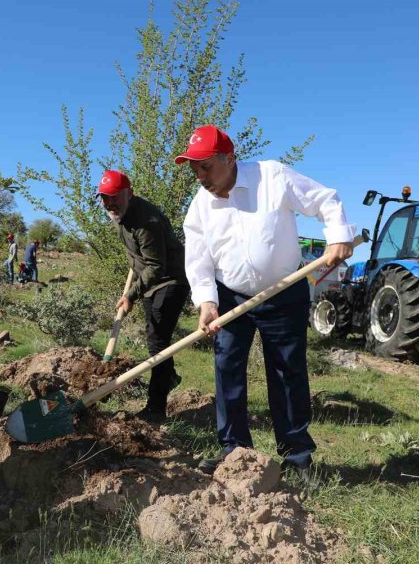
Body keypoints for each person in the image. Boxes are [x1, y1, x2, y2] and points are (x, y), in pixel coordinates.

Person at [176, 125, 355, 476]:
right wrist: (207, 303)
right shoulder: (200, 205)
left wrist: (337, 237)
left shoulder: (273, 177)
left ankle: (297, 457)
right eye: (194, 168)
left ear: (229, 159)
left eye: (205, 166)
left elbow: (324, 200)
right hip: (230, 297)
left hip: (283, 293)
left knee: (286, 371)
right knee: (227, 370)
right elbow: (198, 259)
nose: (199, 176)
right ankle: (235, 454)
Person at [98, 170, 189, 421]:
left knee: (158, 342)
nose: (109, 203)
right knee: (155, 337)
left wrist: (131, 294)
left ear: (129, 193)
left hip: (170, 280)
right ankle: (168, 377)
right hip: (150, 281)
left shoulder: (145, 221)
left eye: (114, 196)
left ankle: (156, 408)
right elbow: (138, 255)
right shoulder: (120, 215)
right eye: (104, 197)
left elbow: (156, 266)